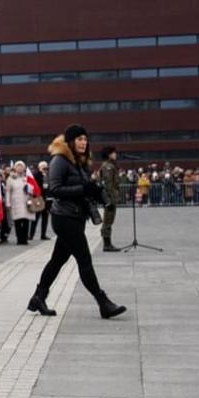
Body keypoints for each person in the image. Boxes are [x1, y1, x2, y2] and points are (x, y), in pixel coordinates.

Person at [28, 124, 127, 321]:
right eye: (79, 139)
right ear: (70, 141)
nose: (83, 143)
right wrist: (84, 189)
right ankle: (103, 303)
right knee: (84, 259)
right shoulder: (60, 160)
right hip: (64, 218)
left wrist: (95, 192)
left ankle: (38, 298)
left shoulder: (78, 163)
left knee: (57, 260)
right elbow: (54, 190)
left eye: (85, 139)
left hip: (75, 217)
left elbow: (82, 189)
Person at [97, 147, 121, 251]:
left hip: (111, 197)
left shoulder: (111, 165)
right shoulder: (108, 167)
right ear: (108, 154)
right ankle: (107, 245)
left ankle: (108, 244)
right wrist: (109, 200)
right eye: (113, 153)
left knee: (109, 220)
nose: (115, 155)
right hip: (109, 198)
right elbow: (108, 184)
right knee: (108, 220)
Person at [5, 161, 33, 245]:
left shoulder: (27, 177)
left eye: (21, 167)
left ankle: (25, 239)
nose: (20, 168)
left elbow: (33, 189)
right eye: (18, 166)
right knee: (17, 222)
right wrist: (8, 203)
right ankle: (19, 239)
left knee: (26, 221)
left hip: (26, 202)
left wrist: (29, 189)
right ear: (15, 168)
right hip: (16, 203)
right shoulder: (11, 178)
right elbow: (8, 191)